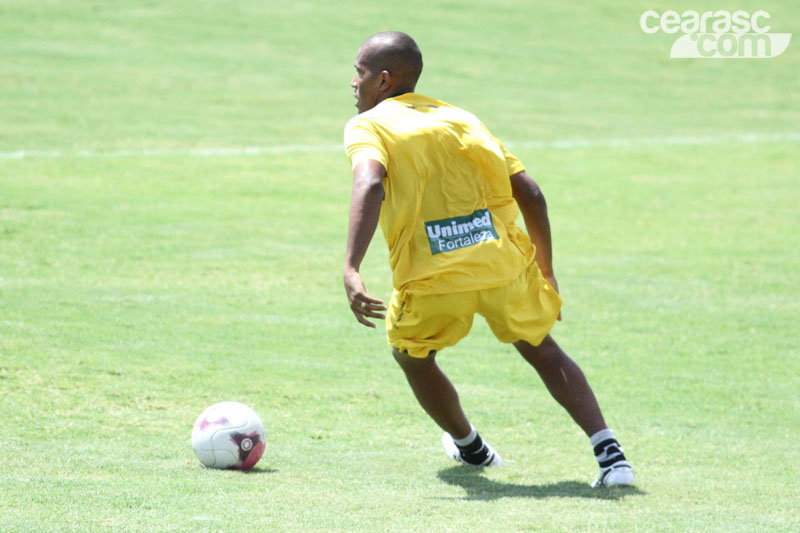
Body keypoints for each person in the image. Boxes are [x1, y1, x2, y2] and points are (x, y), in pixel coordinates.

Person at [342, 31, 634, 488]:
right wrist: (546, 269)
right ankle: (612, 457)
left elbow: (370, 185)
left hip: (432, 280)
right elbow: (531, 192)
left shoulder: (370, 125)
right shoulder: (462, 119)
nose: (352, 83)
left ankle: (470, 447)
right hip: (501, 264)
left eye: (358, 72)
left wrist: (351, 267)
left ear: (383, 80)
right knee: (542, 349)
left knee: (412, 357)